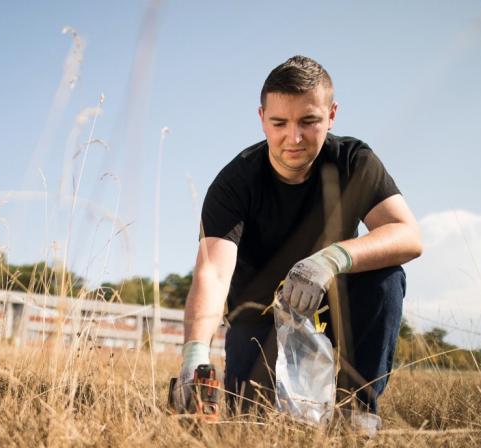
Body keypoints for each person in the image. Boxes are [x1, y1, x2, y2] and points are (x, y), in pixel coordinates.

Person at [172, 55, 422, 418]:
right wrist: (195, 354)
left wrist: (330, 259)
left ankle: (357, 412)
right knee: (250, 418)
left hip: (331, 309)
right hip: (260, 321)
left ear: (332, 115)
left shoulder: (353, 161)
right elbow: (213, 273)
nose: (294, 137)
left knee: (386, 277)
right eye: (279, 123)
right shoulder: (235, 182)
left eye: (309, 121)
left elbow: (407, 234)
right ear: (261, 119)